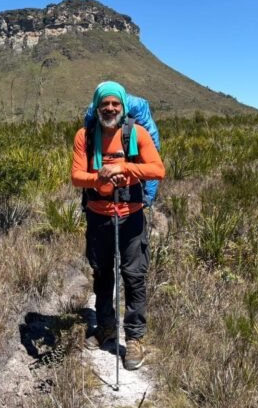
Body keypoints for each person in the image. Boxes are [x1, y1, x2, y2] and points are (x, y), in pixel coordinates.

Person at [71, 81, 166, 370]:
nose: (110, 108)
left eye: (115, 104)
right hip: (98, 216)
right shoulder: (85, 136)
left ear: (122, 107)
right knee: (102, 274)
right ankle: (106, 328)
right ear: (97, 107)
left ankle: (134, 338)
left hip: (130, 216)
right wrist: (98, 178)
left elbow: (157, 169)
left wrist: (125, 168)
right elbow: (76, 176)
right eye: (104, 104)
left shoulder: (136, 133)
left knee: (134, 276)